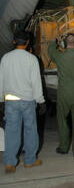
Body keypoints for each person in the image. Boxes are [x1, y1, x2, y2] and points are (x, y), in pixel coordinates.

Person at [0, 31, 46, 173]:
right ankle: (30, 160)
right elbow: (36, 82)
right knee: (30, 130)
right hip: (28, 100)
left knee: (11, 131)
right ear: (27, 43)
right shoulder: (32, 59)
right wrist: (41, 100)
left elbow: (1, 80)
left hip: (11, 101)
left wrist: (1, 99)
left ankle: (9, 163)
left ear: (14, 42)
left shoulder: (5, 58)